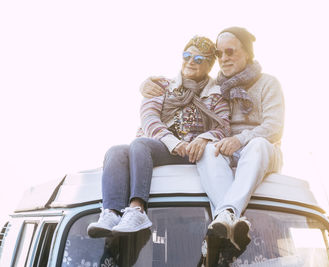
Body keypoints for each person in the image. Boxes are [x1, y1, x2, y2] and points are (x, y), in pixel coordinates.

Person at [140, 27, 284, 251]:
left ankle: (227, 212)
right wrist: (148, 84)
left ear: (247, 53)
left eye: (230, 52)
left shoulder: (268, 83)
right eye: (219, 54)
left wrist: (240, 139)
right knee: (208, 150)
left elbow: (273, 127)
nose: (224, 58)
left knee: (258, 145)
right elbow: (182, 85)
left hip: (262, 150)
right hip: (226, 149)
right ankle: (229, 222)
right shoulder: (216, 87)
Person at [87, 36, 230, 238]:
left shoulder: (216, 95)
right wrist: (173, 142)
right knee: (116, 151)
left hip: (189, 152)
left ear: (209, 65)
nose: (190, 62)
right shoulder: (162, 85)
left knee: (140, 145)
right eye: (187, 55)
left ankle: (137, 209)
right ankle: (111, 212)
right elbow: (149, 117)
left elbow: (223, 127)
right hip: (163, 145)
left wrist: (204, 138)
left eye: (198, 59)